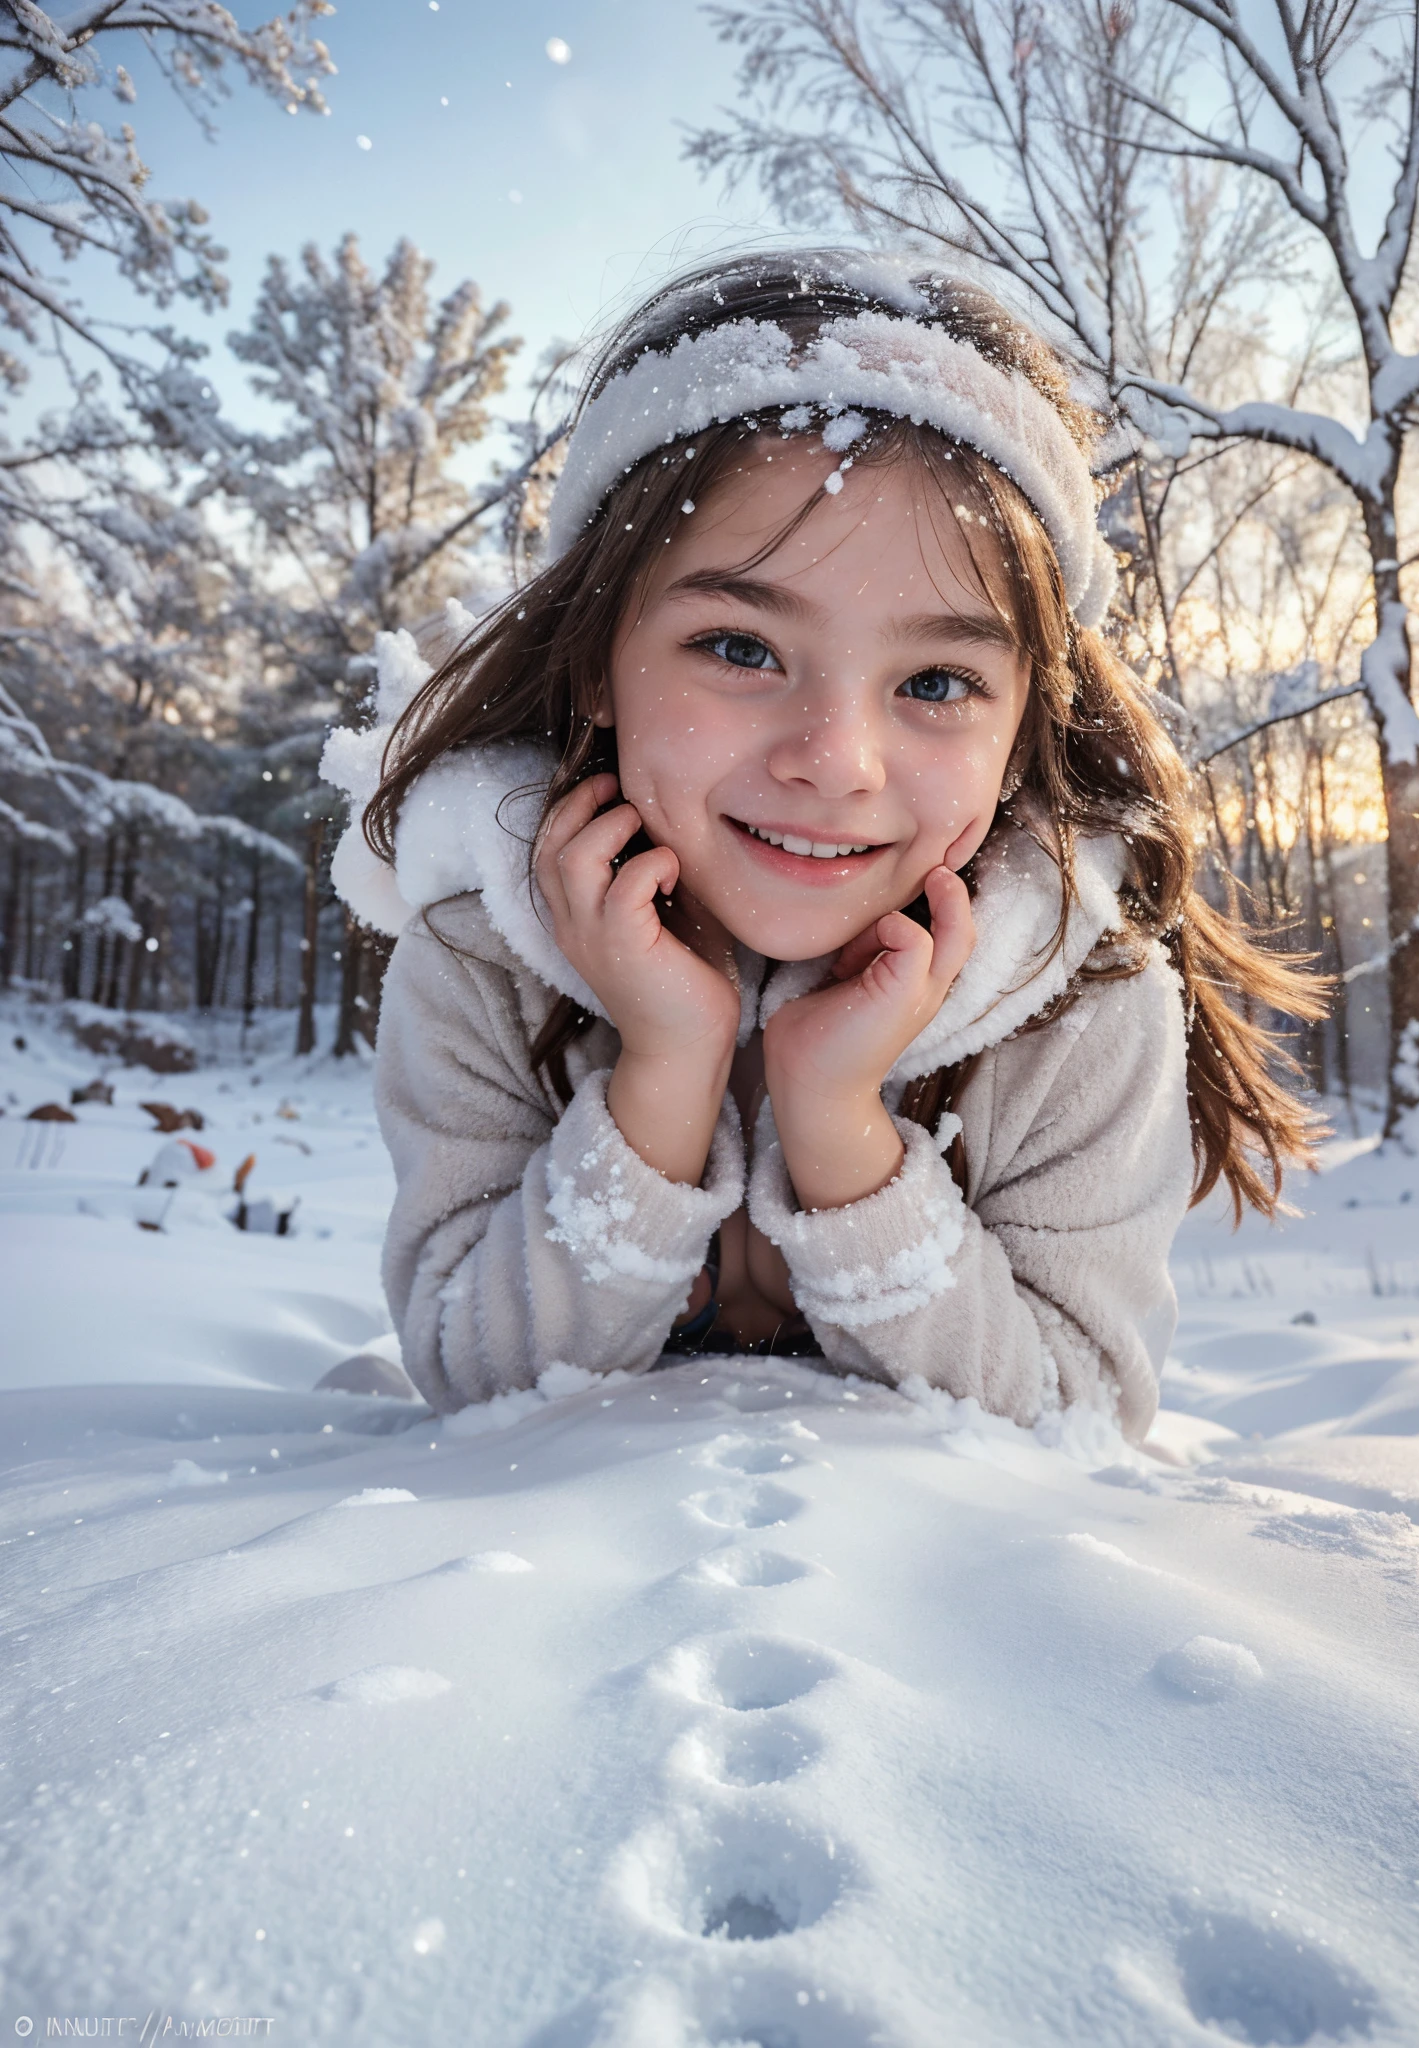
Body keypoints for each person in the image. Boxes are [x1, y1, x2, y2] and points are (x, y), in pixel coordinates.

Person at [331, 250, 1321, 1440]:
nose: (836, 758)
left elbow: (1075, 1418)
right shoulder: (486, 953)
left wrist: (844, 1125)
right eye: (742, 648)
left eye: (939, 679)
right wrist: (662, 1069)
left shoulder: (1074, 1002)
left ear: (1023, 728)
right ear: (596, 656)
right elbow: (478, 1377)